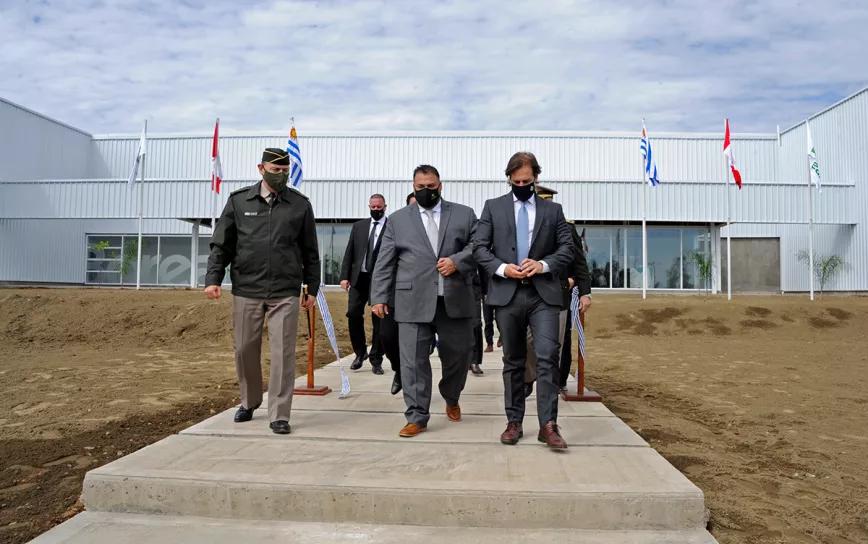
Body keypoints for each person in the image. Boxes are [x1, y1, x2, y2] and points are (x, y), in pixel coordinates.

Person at [204, 147, 320, 435]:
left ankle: (279, 413)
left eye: (284, 171)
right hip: (247, 288)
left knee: (282, 353)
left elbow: (310, 251)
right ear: (261, 168)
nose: (280, 175)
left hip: (285, 291)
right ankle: (250, 400)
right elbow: (222, 245)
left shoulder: (299, 205)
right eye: (275, 170)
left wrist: (312, 287)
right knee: (245, 349)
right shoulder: (238, 202)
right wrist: (213, 278)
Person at [473, 151, 574, 450]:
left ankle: (548, 425)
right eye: (515, 180)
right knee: (513, 361)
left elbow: (567, 249)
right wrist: (504, 269)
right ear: (509, 179)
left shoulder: (552, 211)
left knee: (546, 356)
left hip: (543, 294)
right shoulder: (493, 208)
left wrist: (542, 264)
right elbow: (480, 248)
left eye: (526, 181)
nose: (520, 184)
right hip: (508, 294)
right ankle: (513, 421)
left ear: (536, 179)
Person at [371, 165, 478, 438]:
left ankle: (451, 395)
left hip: (453, 299)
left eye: (431, 186)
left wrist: (457, 261)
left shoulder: (464, 215)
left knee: (458, 356)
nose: (426, 191)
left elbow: (478, 246)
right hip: (412, 300)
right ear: (413, 186)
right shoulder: (397, 220)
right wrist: (379, 296)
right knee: (412, 361)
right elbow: (385, 261)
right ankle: (417, 415)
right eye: (420, 187)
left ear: (440, 186)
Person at [521, 186, 592, 397]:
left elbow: (580, 263)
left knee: (556, 344)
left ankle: (553, 383)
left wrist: (584, 292)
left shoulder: (567, 229)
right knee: (527, 341)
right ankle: (528, 376)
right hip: (526, 293)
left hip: (558, 294)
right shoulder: (521, 226)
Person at [340, 194, 389, 374]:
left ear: (385, 206)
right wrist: (344, 276)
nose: (376, 210)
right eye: (373, 207)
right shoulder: (359, 227)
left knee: (379, 320)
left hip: (380, 280)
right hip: (359, 278)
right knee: (353, 313)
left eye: (379, 207)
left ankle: (376, 359)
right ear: (369, 206)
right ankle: (360, 353)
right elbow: (349, 252)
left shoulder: (391, 227)